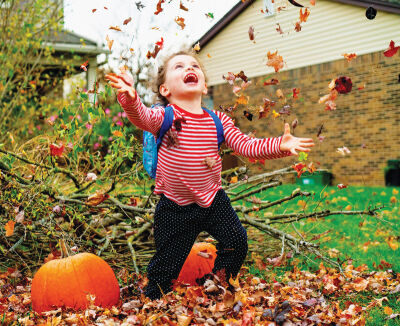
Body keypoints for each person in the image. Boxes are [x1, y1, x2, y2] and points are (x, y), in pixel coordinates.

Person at [105, 50, 314, 300]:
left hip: (213, 201)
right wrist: (130, 99)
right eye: (179, 67)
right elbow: (142, 117)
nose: (188, 68)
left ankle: (215, 287)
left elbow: (246, 147)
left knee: (236, 242)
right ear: (164, 90)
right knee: (164, 268)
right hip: (174, 206)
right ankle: (153, 304)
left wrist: (279, 145)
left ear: (204, 86)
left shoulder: (218, 121)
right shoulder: (165, 117)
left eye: (194, 66)